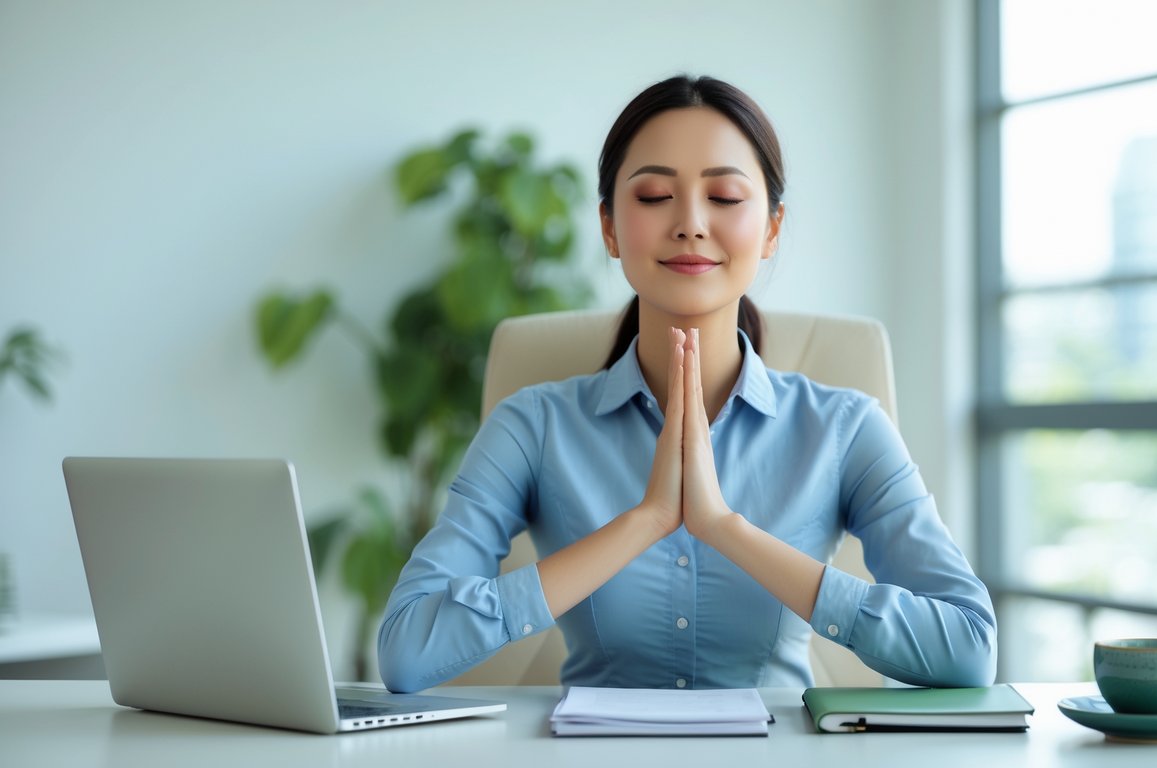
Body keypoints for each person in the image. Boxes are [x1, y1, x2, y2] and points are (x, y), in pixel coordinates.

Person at [378, 75, 996, 692]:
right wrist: (644, 521)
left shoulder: (845, 427)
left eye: (725, 196)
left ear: (772, 228)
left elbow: (969, 649)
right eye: (652, 196)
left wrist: (724, 527)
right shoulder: (532, 426)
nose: (691, 223)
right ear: (610, 228)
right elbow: (407, 652)